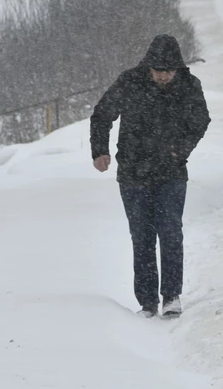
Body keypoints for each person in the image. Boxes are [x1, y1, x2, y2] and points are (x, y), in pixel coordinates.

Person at [90, 34, 211, 319]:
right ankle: (147, 303)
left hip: (171, 173)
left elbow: (200, 121)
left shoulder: (189, 86)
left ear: (177, 68)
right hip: (133, 173)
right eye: (158, 70)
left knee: (170, 232)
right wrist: (100, 151)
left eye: (169, 71)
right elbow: (102, 114)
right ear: (148, 66)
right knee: (142, 237)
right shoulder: (130, 82)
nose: (163, 76)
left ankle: (171, 295)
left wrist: (178, 151)